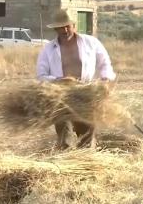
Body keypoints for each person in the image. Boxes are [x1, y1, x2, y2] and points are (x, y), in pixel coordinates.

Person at [36, 9, 116, 149]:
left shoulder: (91, 43)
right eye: (61, 27)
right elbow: (41, 76)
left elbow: (105, 63)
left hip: (86, 93)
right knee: (64, 131)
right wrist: (58, 80)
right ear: (55, 29)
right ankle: (65, 160)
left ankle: (87, 161)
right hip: (60, 95)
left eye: (68, 26)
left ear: (74, 25)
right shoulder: (48, 49)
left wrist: (105, 79)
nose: (65, 29)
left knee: (87, 131)